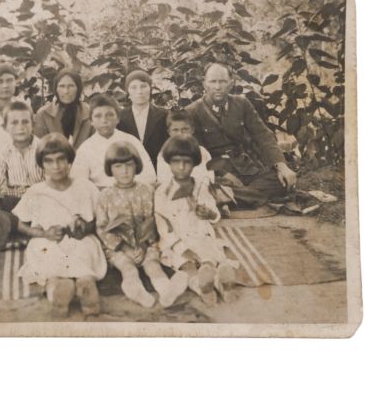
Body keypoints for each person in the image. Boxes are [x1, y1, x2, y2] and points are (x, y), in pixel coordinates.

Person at [14, 133, 107, 318]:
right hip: (48, 241)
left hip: (80, 240)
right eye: (49, 161)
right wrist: (44, 234)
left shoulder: (86, 187)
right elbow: (20, 225)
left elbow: (101, 220)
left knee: (84, 251)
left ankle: (86, 286)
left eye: (61, 159)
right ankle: (57, 288)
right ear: (41, 164)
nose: (56, 166)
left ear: (69, 160)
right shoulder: (35, 192)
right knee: (50, 257)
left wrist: (85, 227)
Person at [187, 62, 297, 207]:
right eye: (213, 81)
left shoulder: (241, 104)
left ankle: (230, 197)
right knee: (204, 185)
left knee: (280, 180)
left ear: (231, 83)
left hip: (244, 168)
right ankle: (244, 196)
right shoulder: (192, 111)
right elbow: (197, 153)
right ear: (204, 84)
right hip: (216, 172)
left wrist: (282, 166)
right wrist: (223, 174)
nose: (218, 87)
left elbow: (263, 135)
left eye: (222, 81)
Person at [96, 142, 188, 308]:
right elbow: (102, 228)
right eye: (118, 166)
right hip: (119, 247)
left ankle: (167, 291)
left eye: (129, 165)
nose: (124, 171)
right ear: (110, 169)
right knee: (127, 268)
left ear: (136, 166)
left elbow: (152, 221)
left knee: (153, 266)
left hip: (146, 244)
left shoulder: (146, 191)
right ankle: (135, 291)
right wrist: (125, 248)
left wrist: (144, 246)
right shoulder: (105, 195)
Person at [154, 135, 238, 305]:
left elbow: (214, 213)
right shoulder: (162, 192)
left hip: (200, 236)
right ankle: (202, 287)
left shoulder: (200, 186)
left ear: (194, 164)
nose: (181, 167)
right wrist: (182, 248)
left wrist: (209, 213)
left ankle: (220, 282)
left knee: (209, 258)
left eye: (187, 162)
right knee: (188, 265)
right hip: (177, 241)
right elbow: (164, 227)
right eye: (176, 162)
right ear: (169, 163)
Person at [0, 101, 44, 247]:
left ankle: (13, 228)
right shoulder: (4, 153)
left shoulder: (42, 148)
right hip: (13, 201)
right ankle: (16, 227)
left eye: (25, 122)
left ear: (33, 124)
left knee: (49, 209)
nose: (20, 127)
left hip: (38, 200)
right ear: (5, 127)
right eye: (14, 123)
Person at [71, 94, 156, 188]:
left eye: (109, 115)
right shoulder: (86, 148)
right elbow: (78, 181)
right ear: (91, 121)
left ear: (118, 118)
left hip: (131, 190)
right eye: (98, 116)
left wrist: (126, 187)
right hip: (99, 194)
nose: (104, 120)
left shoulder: (131, 141)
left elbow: (150, 176)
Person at [117, 69, 168, 169]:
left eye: (143, 86)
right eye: (133, 87)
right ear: (128, 91)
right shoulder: (120, 117)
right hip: (129, 170)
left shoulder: (163, 116)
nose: (139, 92)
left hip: (158, 169)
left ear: (150, 89)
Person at [34, 68, 93, 149]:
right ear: (56, 89)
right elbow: (39, 147)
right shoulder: (43, 114)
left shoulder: (90, 113)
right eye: (62, 86)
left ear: (78, 88)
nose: (66, 91)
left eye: (71, 86)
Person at [156, 109, 213, 186]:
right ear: (169, 132)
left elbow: (209, 179)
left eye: (185, 129)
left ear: (192, 129)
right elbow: (164, 181)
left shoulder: (203, 152)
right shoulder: (164, 154)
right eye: (175, 130)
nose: (180, 133)